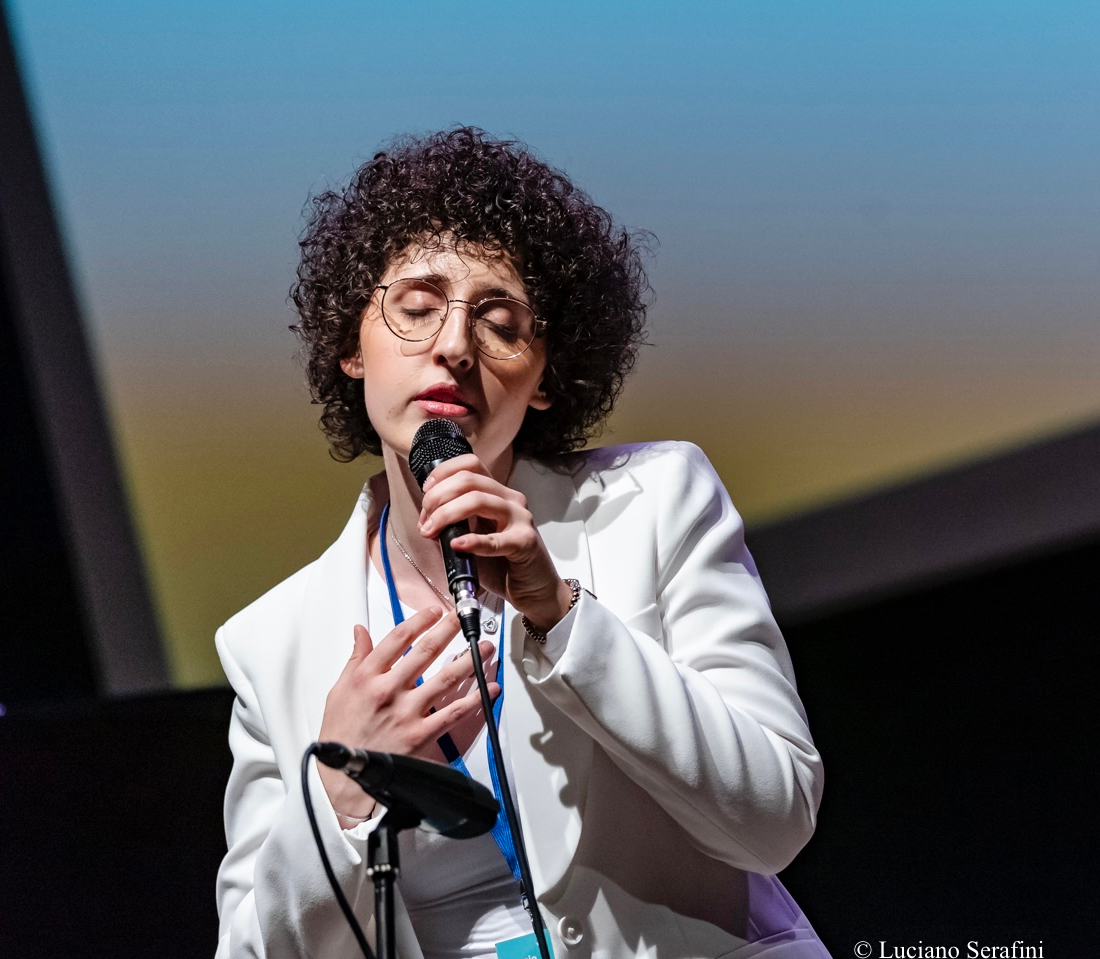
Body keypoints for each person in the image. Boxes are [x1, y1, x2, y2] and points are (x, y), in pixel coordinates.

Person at [215, 127, 828, 959]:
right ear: (350, 346)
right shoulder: (272, 642)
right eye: (417, 307)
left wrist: (563, 612)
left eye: (500, 322)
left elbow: (776, 820)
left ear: (545, 378)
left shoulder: (656, 503)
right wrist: (336, 790)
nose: (454, 346)